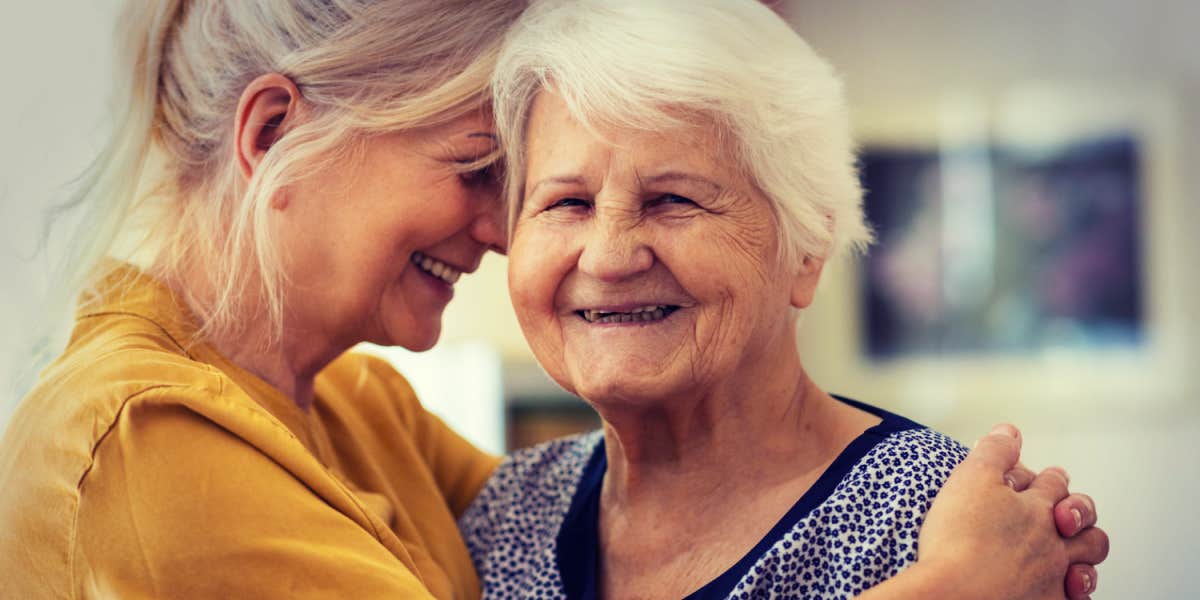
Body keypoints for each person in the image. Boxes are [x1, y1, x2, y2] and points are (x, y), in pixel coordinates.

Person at [0, 0, 1104, 598]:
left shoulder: (362, 415)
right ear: (277, 136)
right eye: (534, 192)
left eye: (676, 197)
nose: (500, 227)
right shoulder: (145, 445)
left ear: (807, 247)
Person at [459, 1, 1108, 599]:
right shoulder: (509, 513)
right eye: (567, 202)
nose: (608, 256)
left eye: (674, 200)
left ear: (807, 248)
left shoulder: (947, 520)